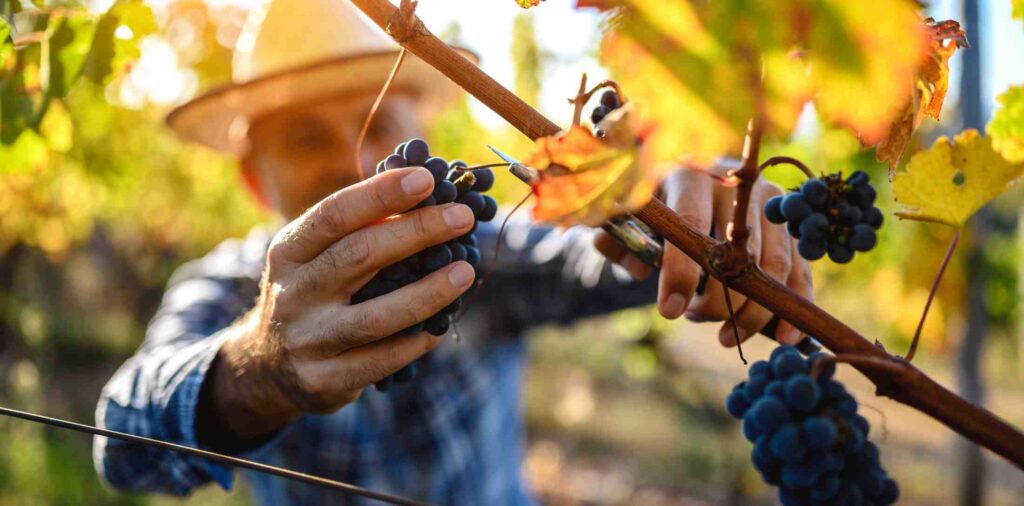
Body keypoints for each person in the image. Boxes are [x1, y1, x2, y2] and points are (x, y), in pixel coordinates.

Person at [93, 0, 812, 504]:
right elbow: (121, 445)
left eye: (381, 128)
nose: (355, 160)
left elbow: (590, 257)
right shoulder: (227, 291)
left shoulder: (481, 255)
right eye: (308, 138)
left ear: (422, 136)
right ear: (255, 180)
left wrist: (681, 209)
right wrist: (258, 369)